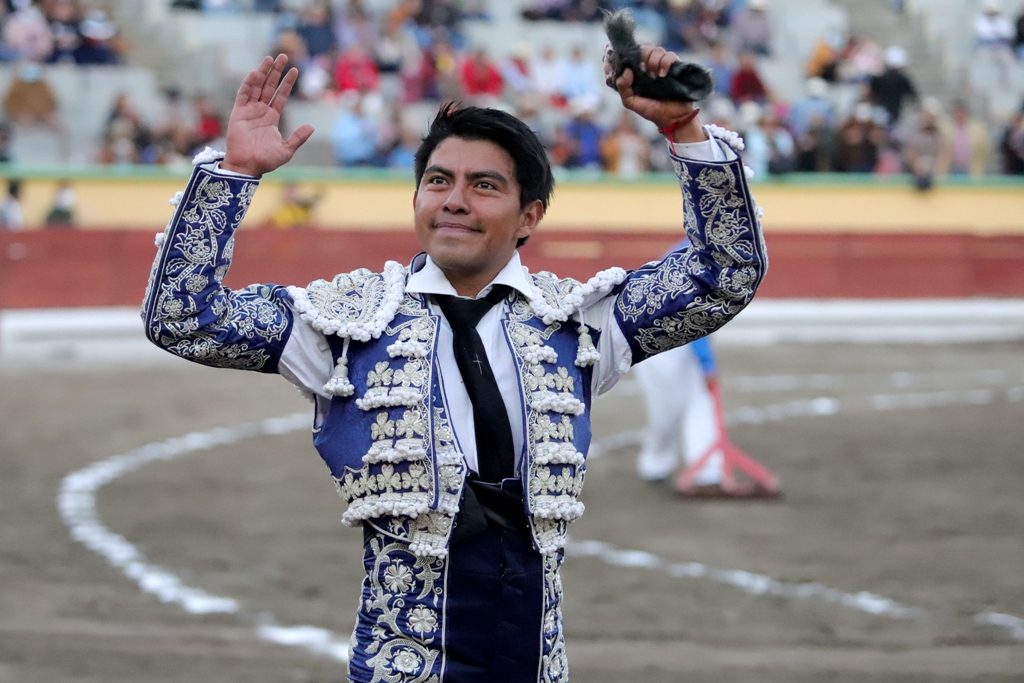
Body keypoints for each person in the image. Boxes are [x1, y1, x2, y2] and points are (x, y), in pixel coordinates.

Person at [142, 46, 766, 682]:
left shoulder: (576, 324)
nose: (455, 200)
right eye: (438, 181)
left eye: (484, 185)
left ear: (530, 216)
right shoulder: (346, 324)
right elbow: (181, 320)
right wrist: (232, 176)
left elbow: (725, 276)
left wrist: (684, 130)